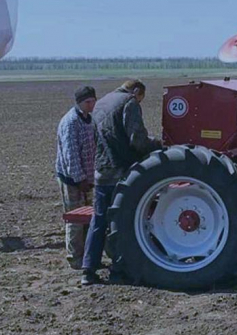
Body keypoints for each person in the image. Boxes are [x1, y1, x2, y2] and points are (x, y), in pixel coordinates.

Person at [81, 79, 162, 285]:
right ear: (136, 91)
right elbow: (137, 139)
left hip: (101, 172)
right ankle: (118, 269)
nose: (139, 102)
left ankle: (88, 270)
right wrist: (157, 146)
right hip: (121, 172)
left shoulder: (101, 103)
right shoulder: (129, 103)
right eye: (140, 99)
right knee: (124, 222)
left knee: (98, 221)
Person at [55, 86, 98, 269]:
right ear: (79, 103)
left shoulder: (90, 120)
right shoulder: (71, 123)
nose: (92, 105)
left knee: (88, 217)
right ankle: (75, 257)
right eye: (88, 102)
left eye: (93, 101)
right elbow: (70, 154)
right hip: (72, 179)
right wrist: (79, 179)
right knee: (75, 218)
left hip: (88, 179)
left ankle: (88, 254)